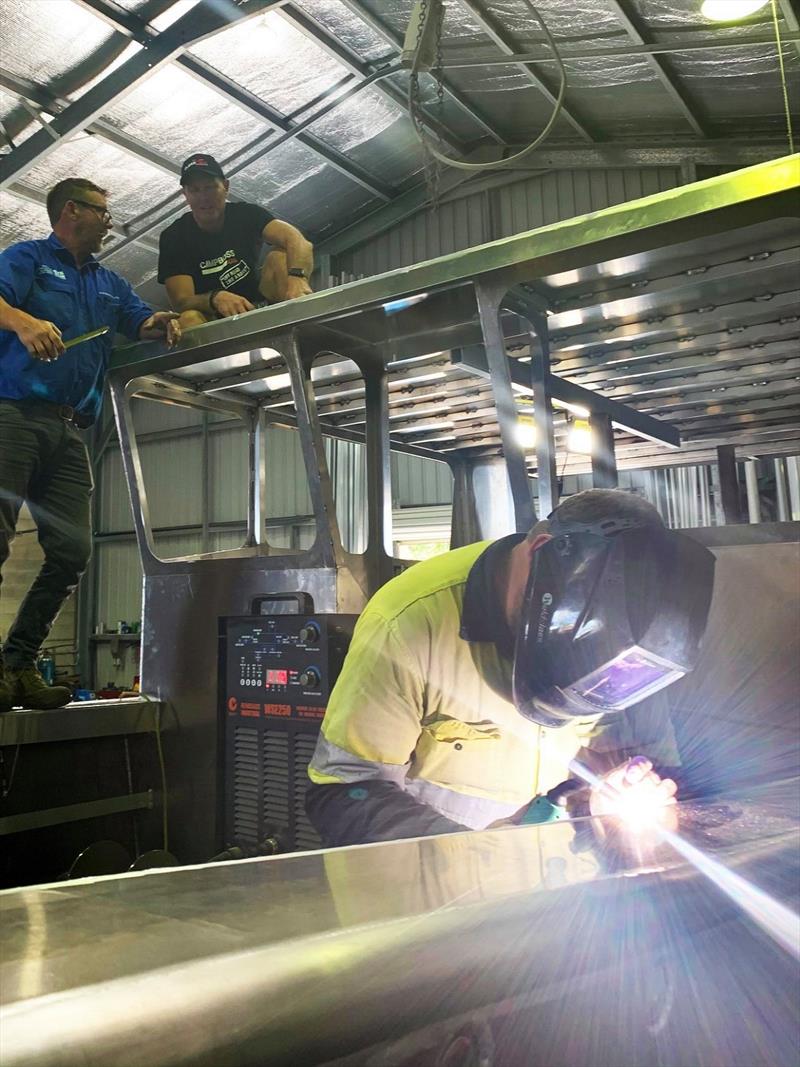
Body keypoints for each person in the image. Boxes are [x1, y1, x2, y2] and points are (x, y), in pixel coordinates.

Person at [306, 488, 715, 847]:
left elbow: (645, 763)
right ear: (539, 552)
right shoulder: (410, 623)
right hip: (432, 896)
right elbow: (344, 791)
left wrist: (609, 793)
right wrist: (472, 853)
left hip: (555, 890)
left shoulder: (633, 646)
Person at [0, 177, 180, 713]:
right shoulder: (27, 258)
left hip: (70, 430)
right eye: (103, 211)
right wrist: (25, 321)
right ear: (72, 211)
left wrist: (157, 322)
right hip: (12, 416)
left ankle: (17, 663)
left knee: (74, 550)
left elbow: (135, 319)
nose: (110, 221)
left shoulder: (108, 282)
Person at [157, 153, 314, 330]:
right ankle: (212, 357)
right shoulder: (174, 236)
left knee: (280, 257)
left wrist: (297, 278)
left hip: (258, 304)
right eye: (194, 190)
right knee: (188, 318)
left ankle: (302, 326)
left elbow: (296, 239)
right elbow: (181, 301)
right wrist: (215, 298)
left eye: (210, 187)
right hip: (212, 318)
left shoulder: (246, 213)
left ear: (225, 186)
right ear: (185, 194)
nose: (203, 197)